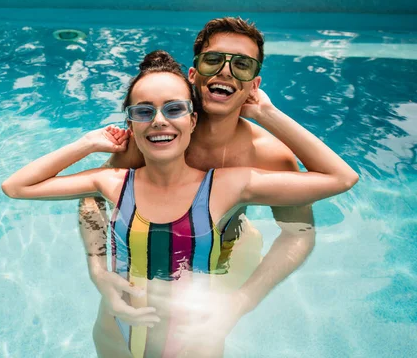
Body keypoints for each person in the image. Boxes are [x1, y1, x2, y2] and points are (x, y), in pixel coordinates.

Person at [2, 50, 358, 357]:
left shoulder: (228, 182)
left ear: (192, 119)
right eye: (143, 112)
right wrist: (87, 143)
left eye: (173, 109)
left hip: (198, 324)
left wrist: (268, 114)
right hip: (117, 329)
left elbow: (339, 179)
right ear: (130, 122)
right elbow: (25, 188)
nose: (158, 120)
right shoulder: (118, 174)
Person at [78, 17, 324, 348]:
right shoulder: (160, 135)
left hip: (227, 256)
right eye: (214, 60)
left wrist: (240, 302)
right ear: (194, 75)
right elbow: (94, 196)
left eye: (241, 65)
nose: (225, 72)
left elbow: (299, 233)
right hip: (147, 255)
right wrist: (97, 269)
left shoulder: (268, 156)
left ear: (254, 83)